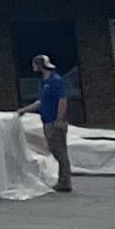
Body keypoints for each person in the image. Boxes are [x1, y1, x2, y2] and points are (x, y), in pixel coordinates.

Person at [33, 52, 76, 193]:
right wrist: (23, 110)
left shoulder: (55, 81)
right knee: (55, 150)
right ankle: (63, 180)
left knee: (60, 151)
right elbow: (41, 102)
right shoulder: (44, 83)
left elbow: (62, 100)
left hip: (54, 122)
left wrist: (59, 118)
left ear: (40, 66)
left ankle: (65, 182)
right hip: (46, 120)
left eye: (35, 64)